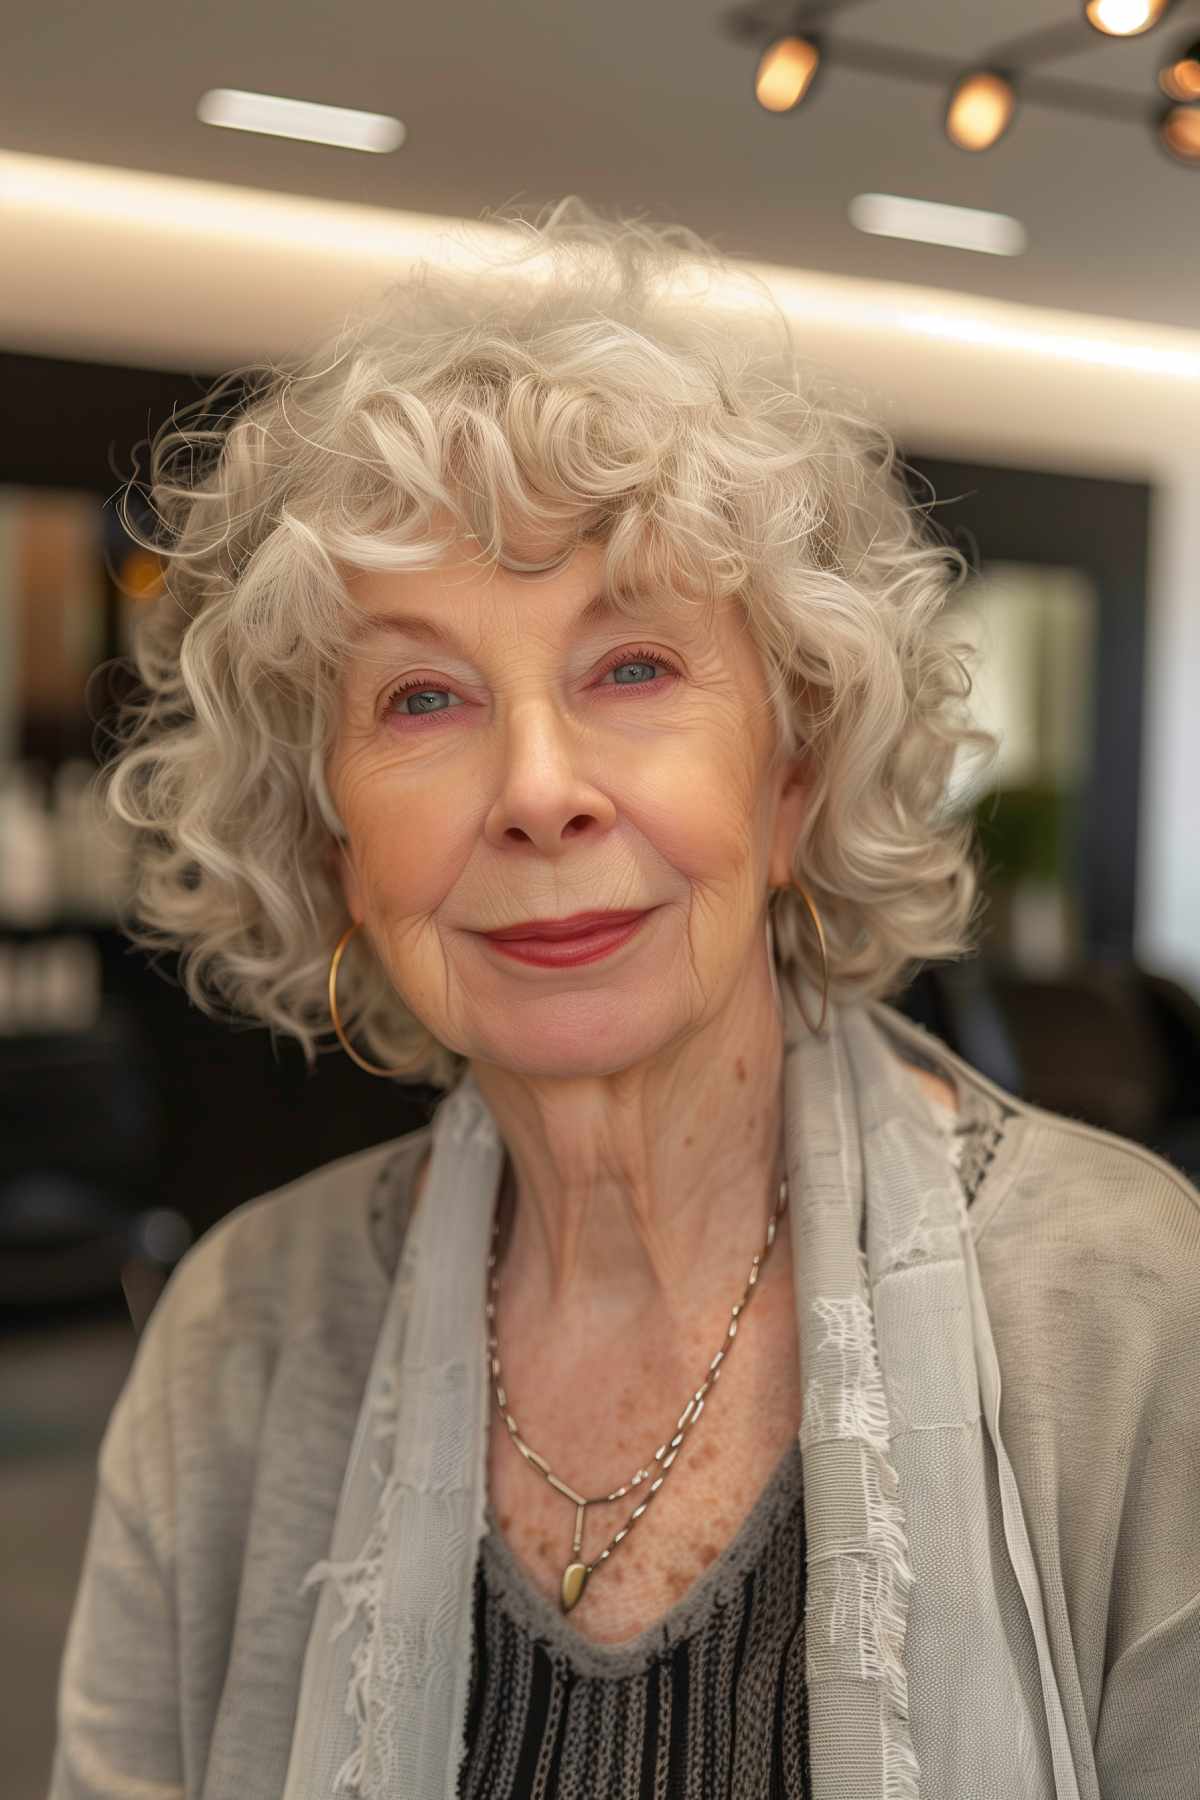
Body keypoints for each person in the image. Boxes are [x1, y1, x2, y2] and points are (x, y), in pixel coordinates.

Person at [49, 198, 1199, 1800]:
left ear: (794, 777)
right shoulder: (240, 1338)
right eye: (424, 697)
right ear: (330, 840)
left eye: (634, 668)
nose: (538, 791)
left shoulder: (1129, 1313)